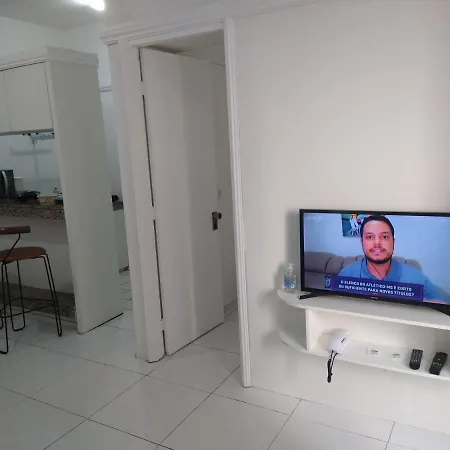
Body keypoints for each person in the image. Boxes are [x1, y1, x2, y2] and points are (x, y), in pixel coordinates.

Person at [338, 215, 448, 303]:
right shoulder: (346, 274)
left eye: (384, 237)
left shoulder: (417, 279)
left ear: (393, 243)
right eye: (370, 237)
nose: (377, 243)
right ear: (362, 243)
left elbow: (441, 307)